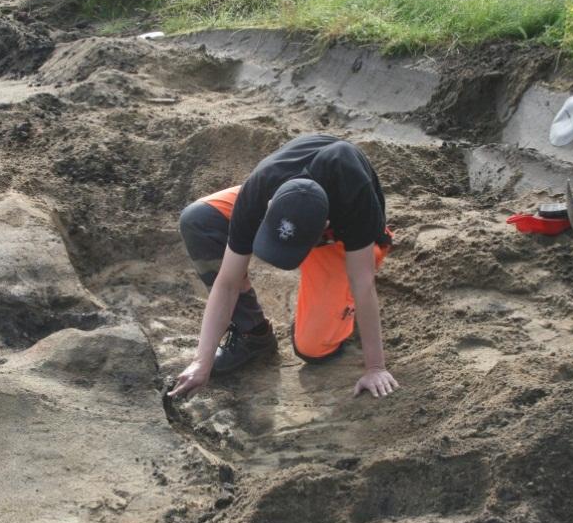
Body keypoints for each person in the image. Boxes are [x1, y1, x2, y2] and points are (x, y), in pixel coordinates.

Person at [168, 133, 399, 399]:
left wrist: (375, 367)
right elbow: (228, 282)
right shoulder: (258, 190)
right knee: (199, 219)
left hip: (341, 240)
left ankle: (339, 314)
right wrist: (201, 361)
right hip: (291, 198)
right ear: (269, 208)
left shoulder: (354, 197)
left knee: (314, 348)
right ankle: (252, 334)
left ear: (323, 228)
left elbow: (363, 282)